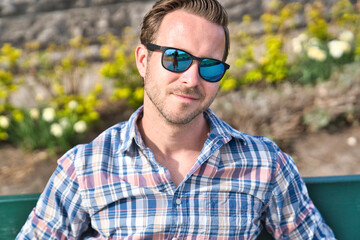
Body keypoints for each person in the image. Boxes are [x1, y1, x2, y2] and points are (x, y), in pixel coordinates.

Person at [17, 0, 335, 239]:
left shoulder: (265, 165)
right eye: (176, 58)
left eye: (209, 66)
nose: (191, 79)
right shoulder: (85, 169)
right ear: (144, 60)